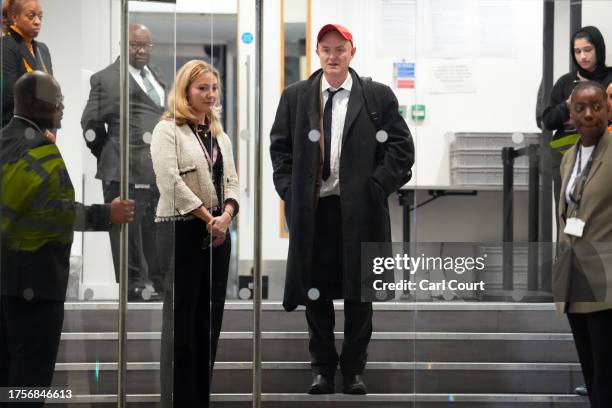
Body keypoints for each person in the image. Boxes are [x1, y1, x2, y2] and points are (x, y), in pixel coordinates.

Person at [270, 24, 414, 395]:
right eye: (326, 49)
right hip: (315, 212)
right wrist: (291, 190)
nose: (333, 56)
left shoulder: (376, 96)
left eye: (340, 49)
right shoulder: (297, 97)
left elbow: (401, 150)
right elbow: (280, 150)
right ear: (317, 53)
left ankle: (353, 370)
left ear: (353, 51)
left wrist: (376, 186)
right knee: (315, 292)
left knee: (359, 294)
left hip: (361, 211)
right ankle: (322, 368)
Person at [0, 72, 134, 407]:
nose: (62, 106)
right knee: (29, 381)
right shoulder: (39, 149)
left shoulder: (5, 139)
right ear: (33, 104)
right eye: (55, 99)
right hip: (36, 284)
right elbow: (55, 211)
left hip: (7, 281)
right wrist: (107, 214)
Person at [150, 60, 239, 406]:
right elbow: (169, 182)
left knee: (208, 322)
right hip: (181, 231)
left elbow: (232, 180)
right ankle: (176, 399)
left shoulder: (219, 135)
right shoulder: (167, 130)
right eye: (202, 88)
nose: (210, 94)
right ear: (185, 90)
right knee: (181, 323)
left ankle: (199, 398)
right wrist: (208, 217)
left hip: (218, 233)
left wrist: (226, 216)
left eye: (214, 88)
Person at [81, 23, 165, 301]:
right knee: (127, 237)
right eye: (135, 45)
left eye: (146, 45)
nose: (141, 50)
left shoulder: (157, 76)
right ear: (122, 45)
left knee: (153, 234)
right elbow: (90, 124)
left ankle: (157, 285)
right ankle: (134, 290)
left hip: (153, 172)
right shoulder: (105, 79)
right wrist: (110, 154)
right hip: (121, 170)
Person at [555, 81, 612, 408]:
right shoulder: (569, 157)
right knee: (592, 376)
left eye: (596, 106)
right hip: (575, 279)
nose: (588, 114)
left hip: (606, 280)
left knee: (607, 377)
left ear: (606, 109)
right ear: (570, 112)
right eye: (581, 108)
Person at [542, 26, 612, 222]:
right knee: (566, 208)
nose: (583, 56)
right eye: (577, 51)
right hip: (567, 154)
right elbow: (547, 121)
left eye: (588, 50)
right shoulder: (565, 82)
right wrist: (568, 104)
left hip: (605, 154)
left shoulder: (610, 79)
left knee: (600, 212)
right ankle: (564, 252)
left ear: (599, 48)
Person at [1, 0, 52, 128]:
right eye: (31, 16)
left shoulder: (42, 49)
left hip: (44, 131)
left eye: (40, 17)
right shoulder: (6, 46)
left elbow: (52, 93)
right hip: (17, 132)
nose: (37, 22)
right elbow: (10, 97)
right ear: (14, 17)